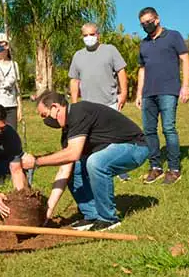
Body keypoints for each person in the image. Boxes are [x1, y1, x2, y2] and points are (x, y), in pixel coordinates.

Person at [21, 91, 149, 232]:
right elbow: (65, 168)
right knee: (75, 168)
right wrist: (48, 211)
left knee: (95, 162)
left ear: (55, 107)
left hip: (135, 147)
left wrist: (37, 162)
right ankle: (92, 215)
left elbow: (73, 153)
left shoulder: (80, 112)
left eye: (44, 115)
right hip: (114, 150)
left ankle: (108, 219)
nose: (46, 121)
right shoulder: (68, 130)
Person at [135, 7, 189, 185]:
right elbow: (142, 70)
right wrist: (138, 93)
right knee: (149, 131)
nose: (146, 26)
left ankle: (174, 169)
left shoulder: (173, 36)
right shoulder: (143, 44)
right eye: (143, 24)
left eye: (149, 22)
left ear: (157, 19)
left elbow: (185, 59)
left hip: (168, 90)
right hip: (148, 94)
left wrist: (186, 86)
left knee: (168, 128)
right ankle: (155, 167)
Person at [68, 22, 130, 181]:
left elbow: (121, 71)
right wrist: (75, 104)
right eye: (85, 35)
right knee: (92, 139)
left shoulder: (110, 50)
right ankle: (93, 167)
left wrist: (123, 93)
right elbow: (74, 80)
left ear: (98, 35)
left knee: (114, 137)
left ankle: (120, 169)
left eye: (92, 34)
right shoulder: (78, 56)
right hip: (88, 106)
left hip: (110, 102)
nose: (89, 38)